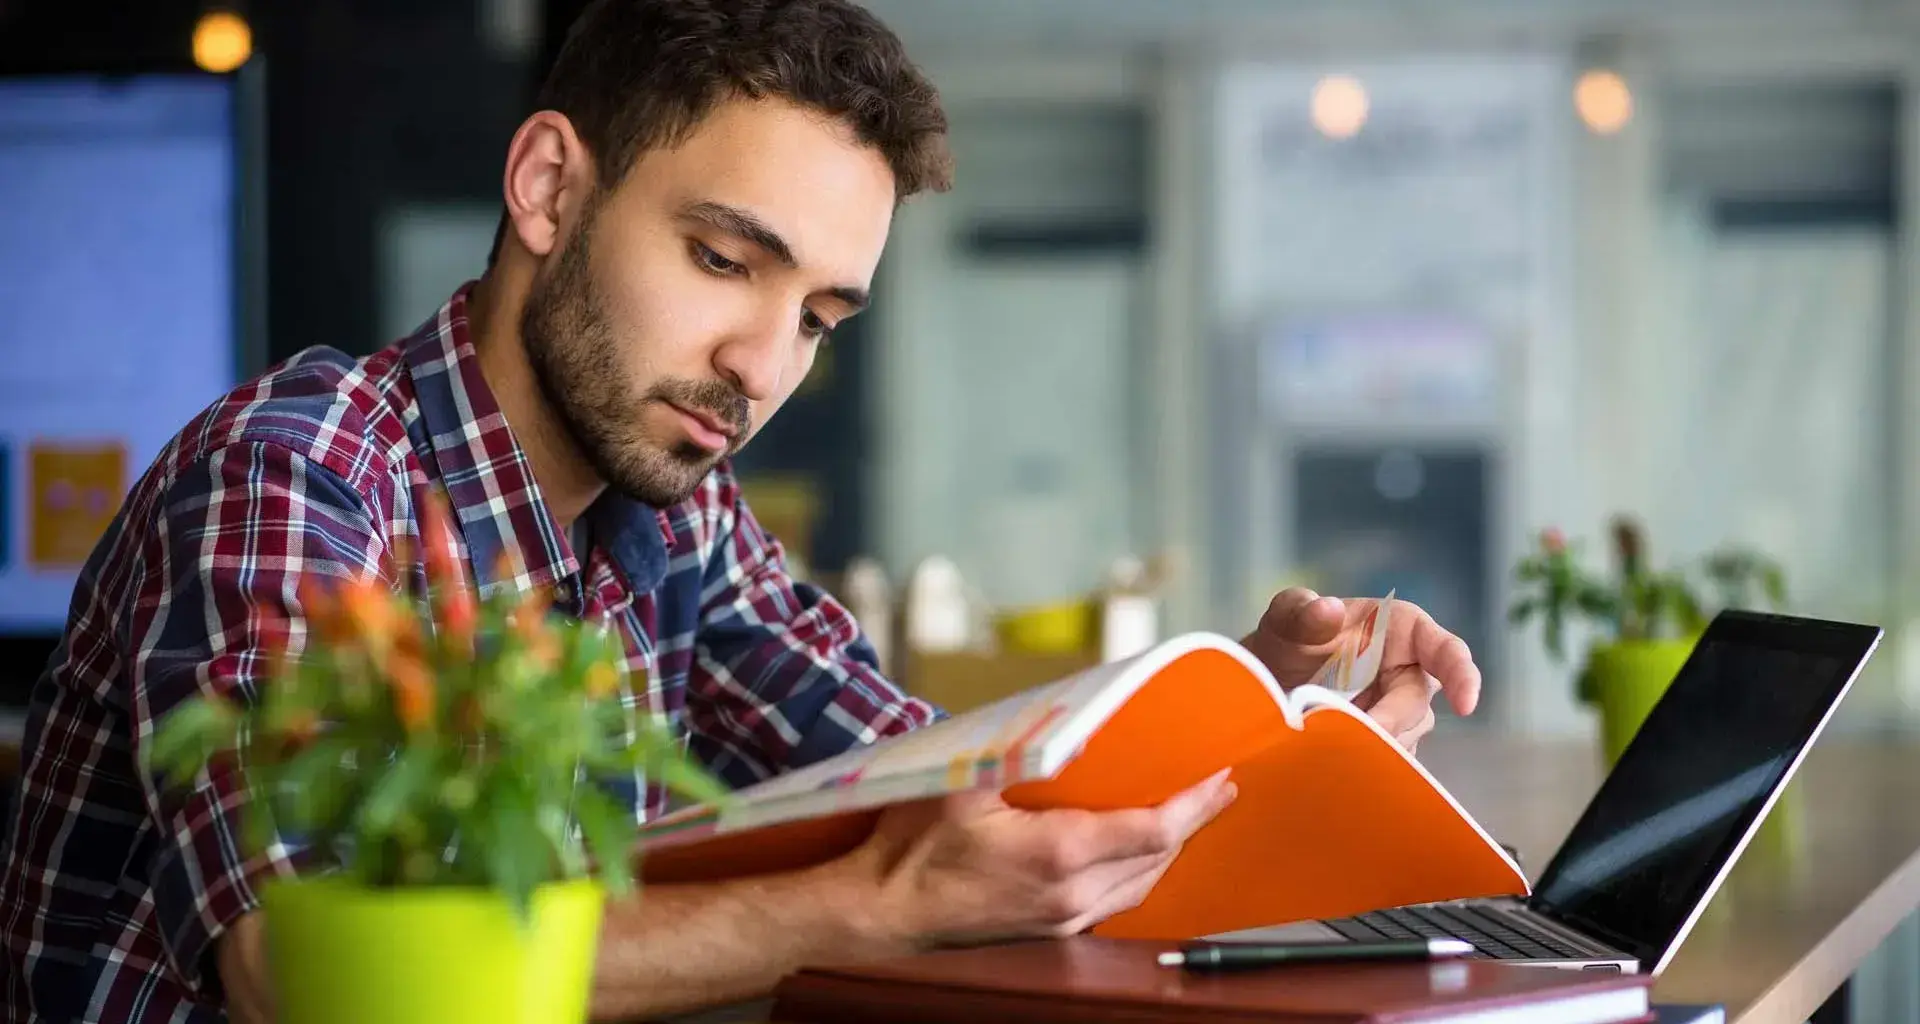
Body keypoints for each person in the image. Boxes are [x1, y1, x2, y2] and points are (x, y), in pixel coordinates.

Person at [0, 1, 1482, 1020]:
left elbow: (956, 792)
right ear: (546, 185)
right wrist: (867, 910)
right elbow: (305, 972)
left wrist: (1253, 721)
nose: (763, 369)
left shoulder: (674, 516)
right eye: (723, 260)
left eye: (822, 317)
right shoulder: (298, 476)